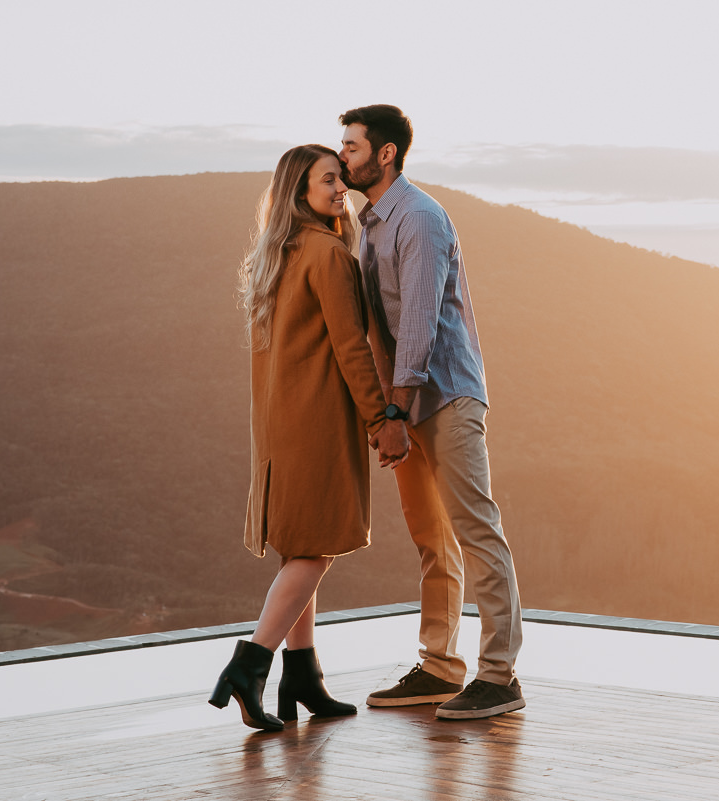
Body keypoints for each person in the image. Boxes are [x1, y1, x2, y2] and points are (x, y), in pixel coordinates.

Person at [210, 144, 410, 731]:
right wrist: (381, 420)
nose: (339, 188)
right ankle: (250, 664)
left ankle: (303, 675)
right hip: (318, 423)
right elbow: (351, 348)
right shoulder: (327, 254)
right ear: (300, 191)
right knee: (317, 549)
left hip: (279, 426)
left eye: (340, 179)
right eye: (328, 180)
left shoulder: (277, 254)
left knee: (302, 546)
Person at [337, 105, 524, 720]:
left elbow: (415, 323)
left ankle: (500, 676)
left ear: (385, 153)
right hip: (405, 402)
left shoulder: (417, 217)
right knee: (431, 540)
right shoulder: (369, 223)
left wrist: (394, 410)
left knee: (475, 529)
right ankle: (440, 667)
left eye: (353, 146)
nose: (344, 157)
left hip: (442, 395)